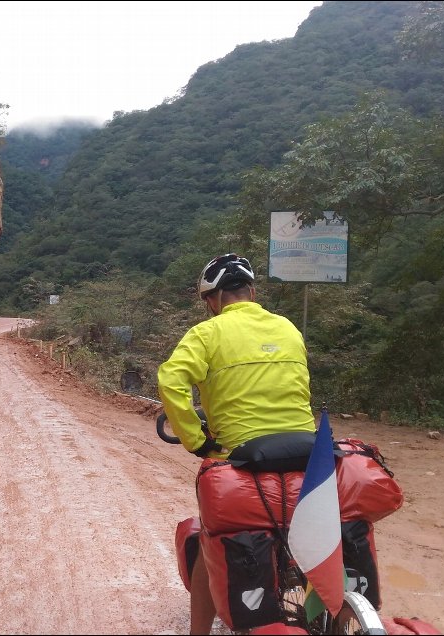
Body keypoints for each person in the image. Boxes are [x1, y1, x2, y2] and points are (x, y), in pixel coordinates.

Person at [156, 253, 315, 635]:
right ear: (252, 292)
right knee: (314, 537)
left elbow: (170, 382)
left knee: (209, 545)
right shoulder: (289, 328)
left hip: (241, 460)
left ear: (212, 300)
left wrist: (197, 441)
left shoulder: (207, 333)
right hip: (309, 454)